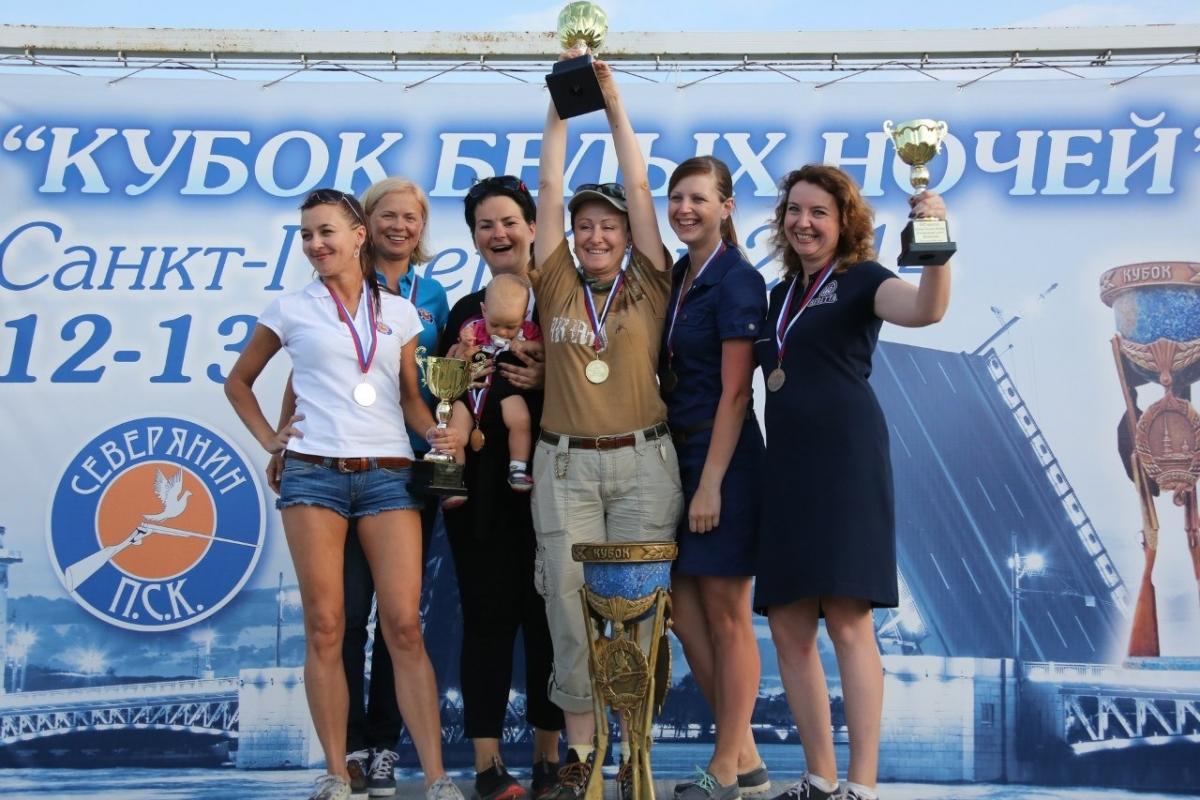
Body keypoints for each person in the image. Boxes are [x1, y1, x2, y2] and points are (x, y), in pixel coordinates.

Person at [225, 188, 464, 800]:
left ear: (359, 236)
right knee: (327, 626)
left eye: (326, 231)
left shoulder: (402, 314)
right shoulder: (289, 309)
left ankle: (436, 777)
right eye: (306, 235)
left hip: (389, 473)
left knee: (404, 626)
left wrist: (438, 434)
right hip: (314, 477)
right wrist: (273, 439)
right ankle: (337, 772)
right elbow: (239, 382)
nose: (315, 244)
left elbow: (408, 398)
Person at [754, 166, 951, 800]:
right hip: (785, 469)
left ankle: (861, 786)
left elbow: (927, 310)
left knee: (847, 621)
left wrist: (935, 238)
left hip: (846, 463)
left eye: (819, 212)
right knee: (788, 626)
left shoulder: (863, 279)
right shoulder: (777, 296)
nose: (803, 222)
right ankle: (819, 778)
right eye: (794, 210)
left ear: (845, 222)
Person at [531, 57, 681, 800]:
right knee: (568, 608)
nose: (594, 235)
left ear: (628, 235)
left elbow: (642, 186)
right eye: (585, 226)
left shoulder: (650, 278)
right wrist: (562, 104)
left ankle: (634, 760)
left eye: (608, 226)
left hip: (643, 464)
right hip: (565, 469)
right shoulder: (556, 278)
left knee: (641, 617)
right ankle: (583, 760)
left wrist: (614, 102)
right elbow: (548, 187)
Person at [436, 174, 564, 800]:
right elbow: (444, 393)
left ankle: (549, 758)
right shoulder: (466, 311)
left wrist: (547, 377)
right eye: (485, 225)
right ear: (474, 238)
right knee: (486, 618)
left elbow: (603, 378)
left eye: (509, 221)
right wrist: (460, 368)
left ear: (533, 226)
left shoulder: (565, 302)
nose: (498, 233)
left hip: (556, 480)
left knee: (550, 619)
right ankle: (487, 765)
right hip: (481, 489)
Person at [659, 156, 769, 800]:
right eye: (676, 197)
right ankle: (746, 754)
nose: (684, 209)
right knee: (681, 610)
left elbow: (736, 394)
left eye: (699, 198)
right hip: (672, 457)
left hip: (719, 458)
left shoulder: (738, 279)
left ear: (726, 207)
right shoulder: (678, 276)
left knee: (728, 615)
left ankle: (726, 767)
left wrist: (710, 484)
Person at [446, 273, 542, 495]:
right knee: (454, 432)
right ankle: (451, 480)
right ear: (484, 311)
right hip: (471, 391)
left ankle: (518, 468)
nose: (501, 332)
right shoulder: (472, 328)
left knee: (521, 420)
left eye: (511, 326)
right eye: (495, 324)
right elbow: (458, 356)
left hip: (506, 390)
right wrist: (466, 347)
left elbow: (544, 351)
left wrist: (527, 347)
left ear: (524, 315)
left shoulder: (529, 331)